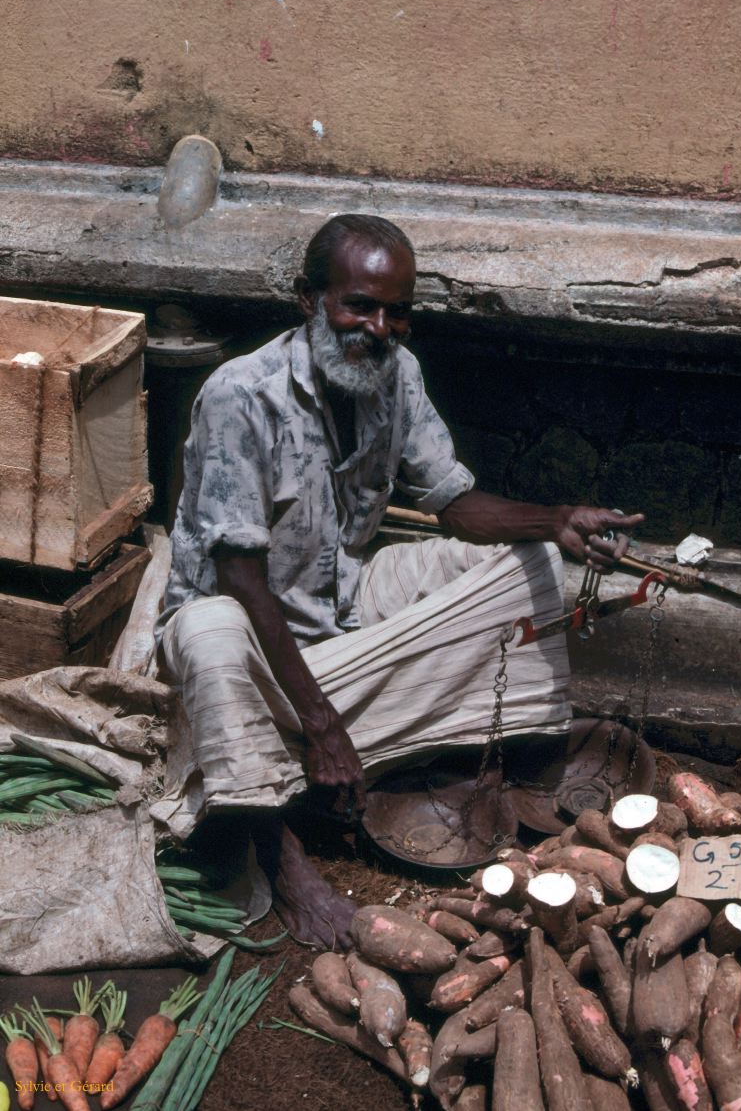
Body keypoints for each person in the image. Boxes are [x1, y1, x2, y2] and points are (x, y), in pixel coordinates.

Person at [155, 213, 643, 948]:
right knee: (207, 628)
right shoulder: (241, 396)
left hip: (343, 607)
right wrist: (323, 732)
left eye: (397, 312)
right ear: (308, 301)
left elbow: (453, 503)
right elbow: (240, 579)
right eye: (359, 305)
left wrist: (555, 518)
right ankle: (280, 850)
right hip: (253, 638)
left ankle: (470, 752)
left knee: (522, 562)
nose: (379, 328)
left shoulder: (396, 376)